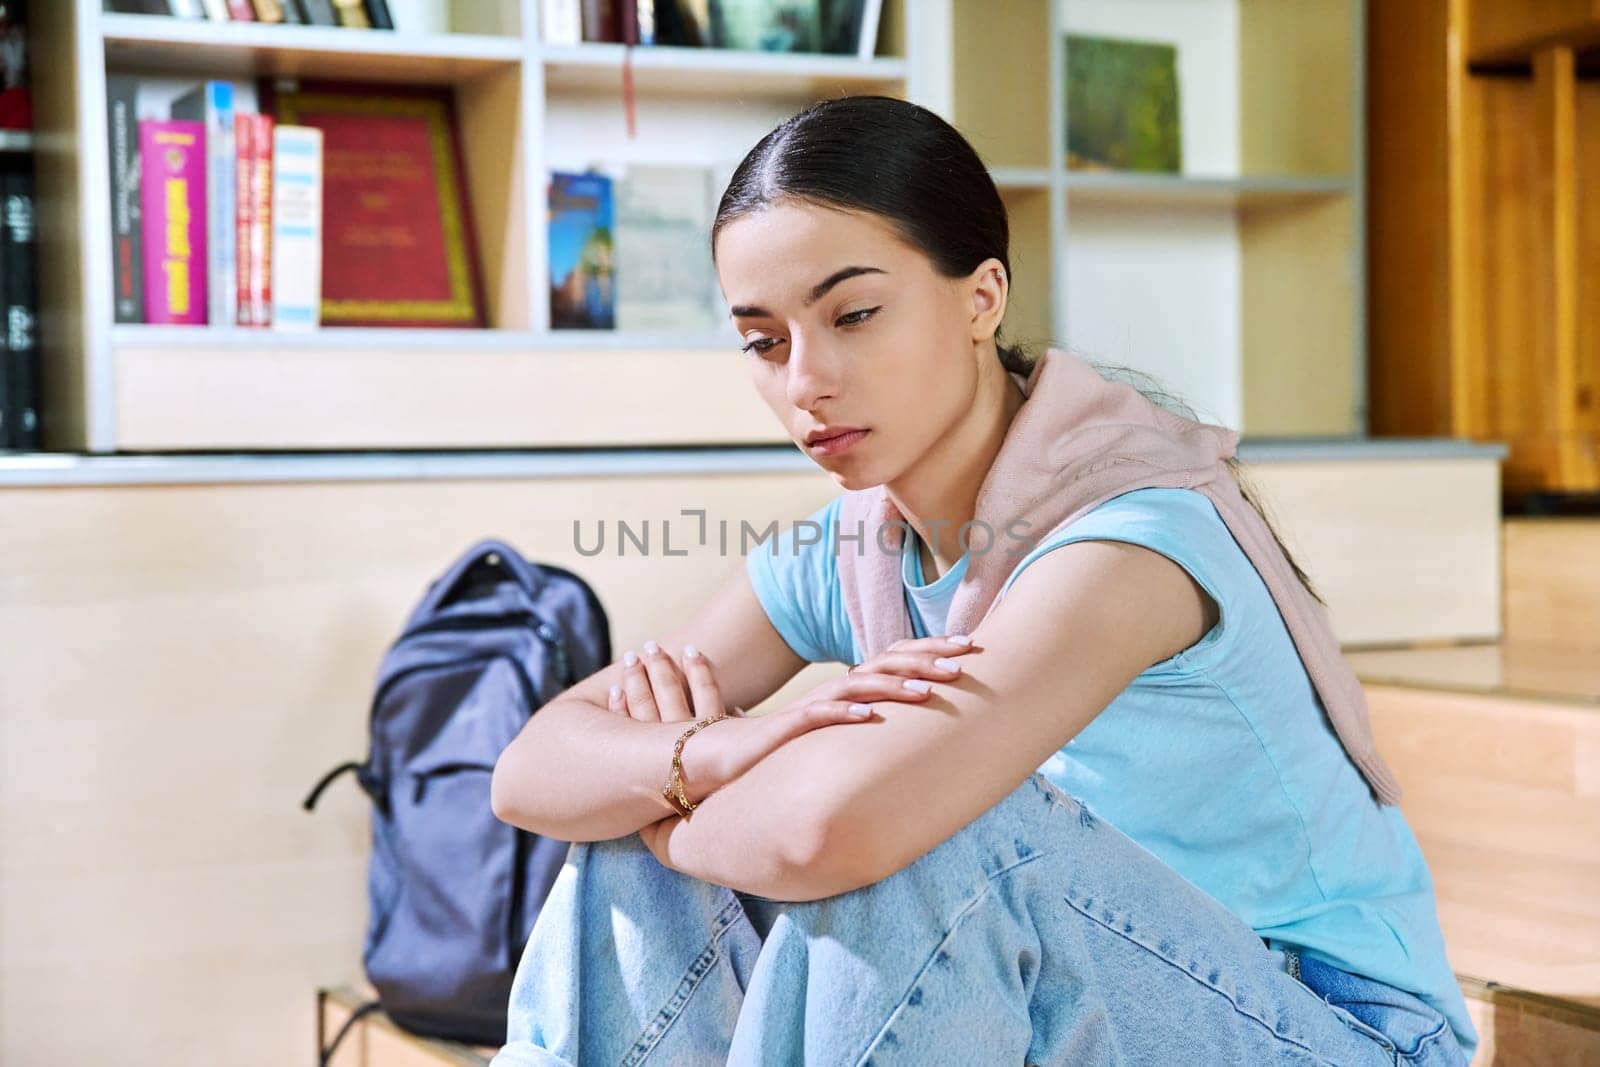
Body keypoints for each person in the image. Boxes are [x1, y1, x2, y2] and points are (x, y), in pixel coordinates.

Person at [487, 95, 1476, 1065]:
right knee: (628, 802)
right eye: (764, 339)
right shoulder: (855, 541)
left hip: (1329, 1028)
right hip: (1083, 993)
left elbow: (832, 829)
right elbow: (531, 768)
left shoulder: (1131, 541)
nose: (805, 380)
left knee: (933, 829)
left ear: (981, 296)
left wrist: (679, 796)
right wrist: (709, 755)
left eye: (855, 313)